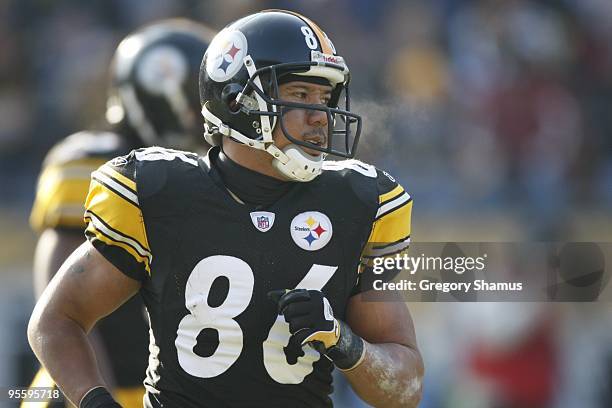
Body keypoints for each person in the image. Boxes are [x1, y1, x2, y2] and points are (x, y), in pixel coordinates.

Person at [28, 10, 423, 408]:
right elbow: (57, 320)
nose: (320, 115)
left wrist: (345, 342)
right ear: (239, 102)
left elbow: (406, 388)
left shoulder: (354, 204)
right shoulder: (162, 193)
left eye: (323, 97)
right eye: (301, 95)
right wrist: (96, 402)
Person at [27, 19, 215, 407]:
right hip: (88, 386)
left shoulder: (203, 170)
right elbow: (60, 300)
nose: (207, 114)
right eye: (199, 101)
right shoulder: (91, 162)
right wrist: (95, 395)